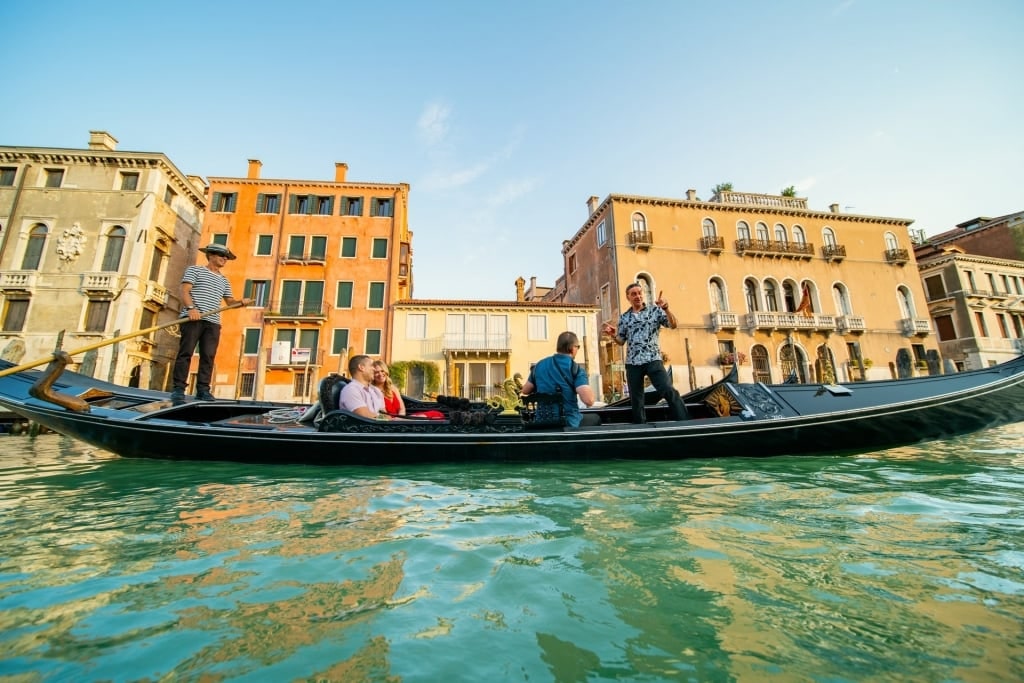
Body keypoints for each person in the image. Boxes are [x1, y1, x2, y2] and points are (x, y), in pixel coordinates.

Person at [170, 243, 250, 404]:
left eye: (226, 257)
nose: (224, 259)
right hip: (193, 318)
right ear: (211, 256)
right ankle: (178, 389)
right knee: (186, 353)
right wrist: (191, 308)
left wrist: (240, 302)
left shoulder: (224, 280)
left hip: (213, 322)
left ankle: (203, 390)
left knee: (208, 356)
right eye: (221, 256)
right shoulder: (195, 270)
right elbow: (184, 290)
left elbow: (229, 302)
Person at [602, 283, 687, 423]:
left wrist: (666, 308)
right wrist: (613, 335)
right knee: (636, 399)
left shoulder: (655, 311)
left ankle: (684, 421)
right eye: (634, 294)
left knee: (668, 389)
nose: (638, 296)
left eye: (639, 293)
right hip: (633, 362)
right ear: (628, 297)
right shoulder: (624, 318)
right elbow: (621, 341)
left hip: (653, 359)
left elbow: (673, 325)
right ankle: (640, 426)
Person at [521, 331, 600, 428]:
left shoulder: (539, 365)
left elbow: (525, 390)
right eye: (577, 347)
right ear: (572, 348)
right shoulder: (575, 369)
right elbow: (589, 400)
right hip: (567, 422)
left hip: (541, 421)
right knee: (596, 418)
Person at [339, 354, 387, 419]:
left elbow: (384, 414)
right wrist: (388, 420)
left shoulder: (376, 391)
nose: (374, 369)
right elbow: (367, 417)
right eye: (371, 365)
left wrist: (391, 420)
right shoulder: (351, 390)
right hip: (367, 427)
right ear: (361, 367)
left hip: (383, 426)